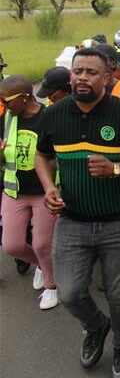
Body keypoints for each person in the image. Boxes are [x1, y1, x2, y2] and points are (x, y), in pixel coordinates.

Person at [34, 48, 120, 378]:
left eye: (91, 72)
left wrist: (117, 170)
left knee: (119, 296)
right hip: (72, 222)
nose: (82, 77)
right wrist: (48, 187)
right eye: (77, 71)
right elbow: (42, 156)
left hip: (119, 222)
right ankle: (95, 326)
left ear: (107, 77)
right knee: (70, 293)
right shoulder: (54, 114)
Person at [0, 76, 58, 310]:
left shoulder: (49, 117)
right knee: (11, 245)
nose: (4, 105)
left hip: (43, 193)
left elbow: (56, 156)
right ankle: (44, 267)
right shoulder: (6, 119)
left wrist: (54, 188)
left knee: (43, 244)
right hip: (15, 191)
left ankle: (51, 286)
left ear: (25, 97)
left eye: (7, 100)